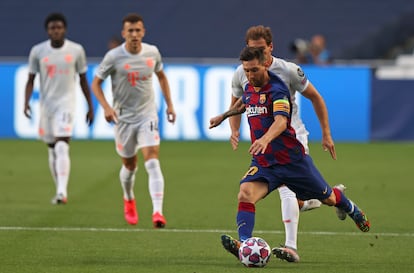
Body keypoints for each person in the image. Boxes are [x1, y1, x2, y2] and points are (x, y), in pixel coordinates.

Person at [211, 46, 370, 264]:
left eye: (254, 70)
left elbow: (281, 121)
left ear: (265, 64)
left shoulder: (277, 89)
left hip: (292, 161)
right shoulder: (250, 85)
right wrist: (223, 115)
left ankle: (349, 207)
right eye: (246, 70)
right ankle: (245, 243)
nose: (249, 75)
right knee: (245, 193)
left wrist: (265, 139)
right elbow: (245, 102)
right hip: (265, 162)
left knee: (328, 198)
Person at [91, 13, 176, 228]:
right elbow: (95, 84)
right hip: (123, 119)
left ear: (143, 32)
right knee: (130, 166)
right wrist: (107, 107)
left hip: (147, 115)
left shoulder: (152, 52)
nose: (135, 34)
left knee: (152, 159)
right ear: (124, 33)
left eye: (138, 30)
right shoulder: (113, 57)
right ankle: (128, 198)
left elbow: (162, 76)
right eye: (130, 31)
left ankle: (158, 212)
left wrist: (170, 105)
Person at [23, 12, 94, 205]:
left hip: (67, 104)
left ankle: (62, 192)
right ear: (48, 31)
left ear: (64, 29)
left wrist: (90, 105)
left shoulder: (76, 50)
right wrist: (26, 102)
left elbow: (83, 79)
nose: (56, 31)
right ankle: (59, 190)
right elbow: (30, 80)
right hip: (47, 106)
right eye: (52, 28)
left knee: (62, 145)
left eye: (59, 27)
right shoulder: (38, 51)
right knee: (52, 149)